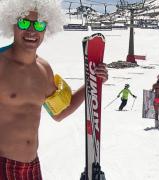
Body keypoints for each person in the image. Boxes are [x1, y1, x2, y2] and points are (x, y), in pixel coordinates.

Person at [0, 1, 108, 179]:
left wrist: (94, 83)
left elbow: (60, 112)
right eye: (24, 22)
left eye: (40, 24)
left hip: (32, 167)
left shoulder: (43, 69)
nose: (32, 31)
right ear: (12, 23)